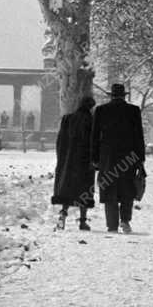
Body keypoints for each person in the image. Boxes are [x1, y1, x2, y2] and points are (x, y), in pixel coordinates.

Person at [91, 83, 146, 234]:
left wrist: (95, 158)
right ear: (124, 95)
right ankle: (125, 221)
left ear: (111, 95)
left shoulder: (101, 110)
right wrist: (140, 158)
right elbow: (138, 136)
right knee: (127, 189)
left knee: (109, 189)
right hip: (129, 156)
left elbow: (94, 136)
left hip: (107, 156)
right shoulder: (133, 111)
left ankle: (112, 225)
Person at [51, 94, 96, 231]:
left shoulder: (67, 119)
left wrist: (62, 158)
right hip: (85, 162)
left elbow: (60, 141)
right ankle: (82, 221)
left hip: (68, 161)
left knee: (67, 189)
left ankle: (63, 216)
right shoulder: (92, 121)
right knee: (85, 190)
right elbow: (94, 143)